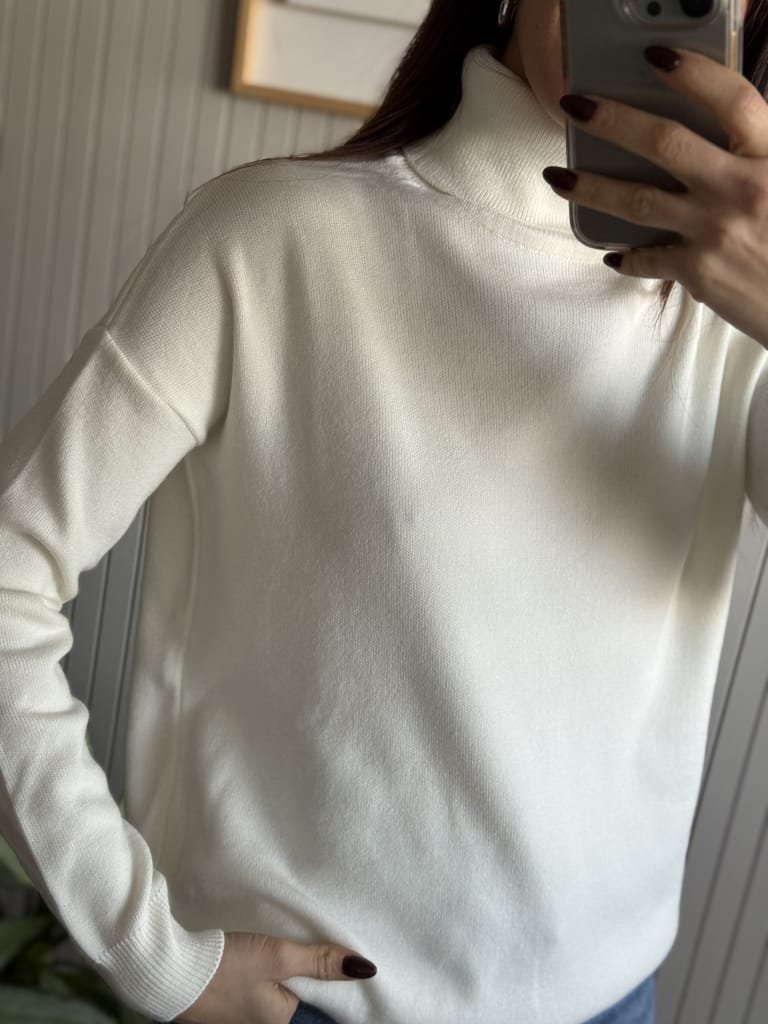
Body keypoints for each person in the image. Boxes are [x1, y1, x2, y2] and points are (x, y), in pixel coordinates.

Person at [1, 1, 766, 1022]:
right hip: (300, 1002)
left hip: (614, 1000)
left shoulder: (740, 318)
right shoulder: (272, 237)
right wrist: (148, 950)